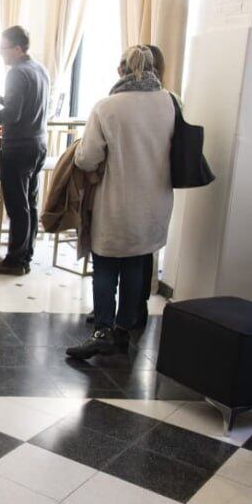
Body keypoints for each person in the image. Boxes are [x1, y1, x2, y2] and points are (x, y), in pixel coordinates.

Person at [66, 46, 174, 359]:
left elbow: (88, 159)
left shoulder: (108, 107)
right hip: (156, 201)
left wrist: (75, 153)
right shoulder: (168, 102)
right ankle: (124, 331)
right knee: (136, 264)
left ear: (120, 70)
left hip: (117, 201)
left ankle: (102, 330)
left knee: (106, 266)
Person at [0, 25, 51, 276]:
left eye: (3, 48)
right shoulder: (40, 69)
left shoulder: (17, 73)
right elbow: (28, 107)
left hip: (18, 146)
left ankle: (15, 260)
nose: (1, 53)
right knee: (29, 203)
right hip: (37, 143)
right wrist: (2, 99)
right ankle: (25, 254)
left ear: (18, 49)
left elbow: (11, 116)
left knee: (17, 205)